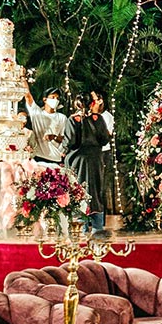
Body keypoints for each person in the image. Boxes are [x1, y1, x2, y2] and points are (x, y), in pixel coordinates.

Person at [68, 92, 112, 233]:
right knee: (95, 190)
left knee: (77, 191)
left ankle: (80, 227)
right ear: (91, 104)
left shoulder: (73, 119)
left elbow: (70, 142)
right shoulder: (97, 118)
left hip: (77, 160)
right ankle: (97, 228)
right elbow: (104, 139)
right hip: (95, 159)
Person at [24, 90, 71, 164]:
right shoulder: (37, 114)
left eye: (57, 98)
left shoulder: (62, 118)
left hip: (55, 158)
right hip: (38, 157)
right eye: (53, 97)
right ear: (45, 99)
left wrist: (54, 137)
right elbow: (27, 95)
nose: (55, 100)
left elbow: (65, 139)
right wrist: (23, 81)